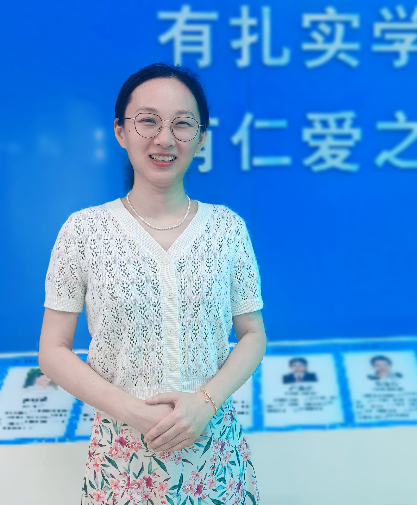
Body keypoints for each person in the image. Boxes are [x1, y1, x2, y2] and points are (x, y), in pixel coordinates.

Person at [38, 62, 266, 505]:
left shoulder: (227, 229)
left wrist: (205, 401)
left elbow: (253, 334)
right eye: (148, 121)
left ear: (201, 138)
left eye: (182, 124)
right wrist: (133, 413)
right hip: (121, 460)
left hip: (214, 457)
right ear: (121, 131)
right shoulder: (83, 231)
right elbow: (52, 349)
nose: (164, 139)